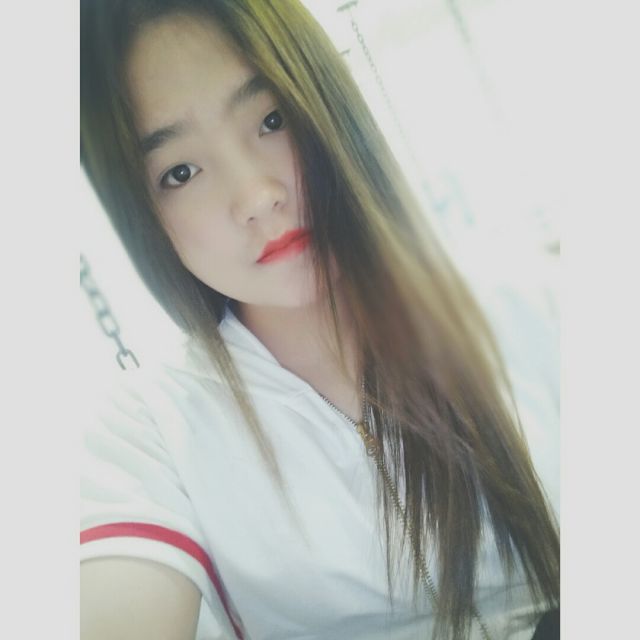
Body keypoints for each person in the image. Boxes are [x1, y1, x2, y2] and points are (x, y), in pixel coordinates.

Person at [80, 1, 560, 639]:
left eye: (272, 120)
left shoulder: (538, 307)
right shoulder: (150, 431)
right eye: (181, 172)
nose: (257, 196)